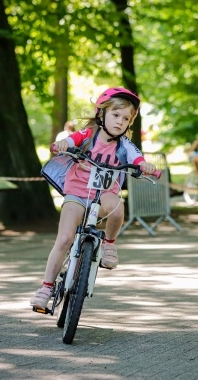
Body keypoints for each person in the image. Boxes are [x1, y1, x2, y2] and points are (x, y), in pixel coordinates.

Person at [30, 87, 157, 310]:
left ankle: (109, 245)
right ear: (101, 114)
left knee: (118, 207)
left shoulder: (124, 144)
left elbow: (137, 158)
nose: (120, 121)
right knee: (64, 238)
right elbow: (71, 140)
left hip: (105, 195)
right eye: (115, 115)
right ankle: (46, 287)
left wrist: (144, 165)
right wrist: (62, 145)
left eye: (126, 118)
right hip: (77, 194)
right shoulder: (89, 135)